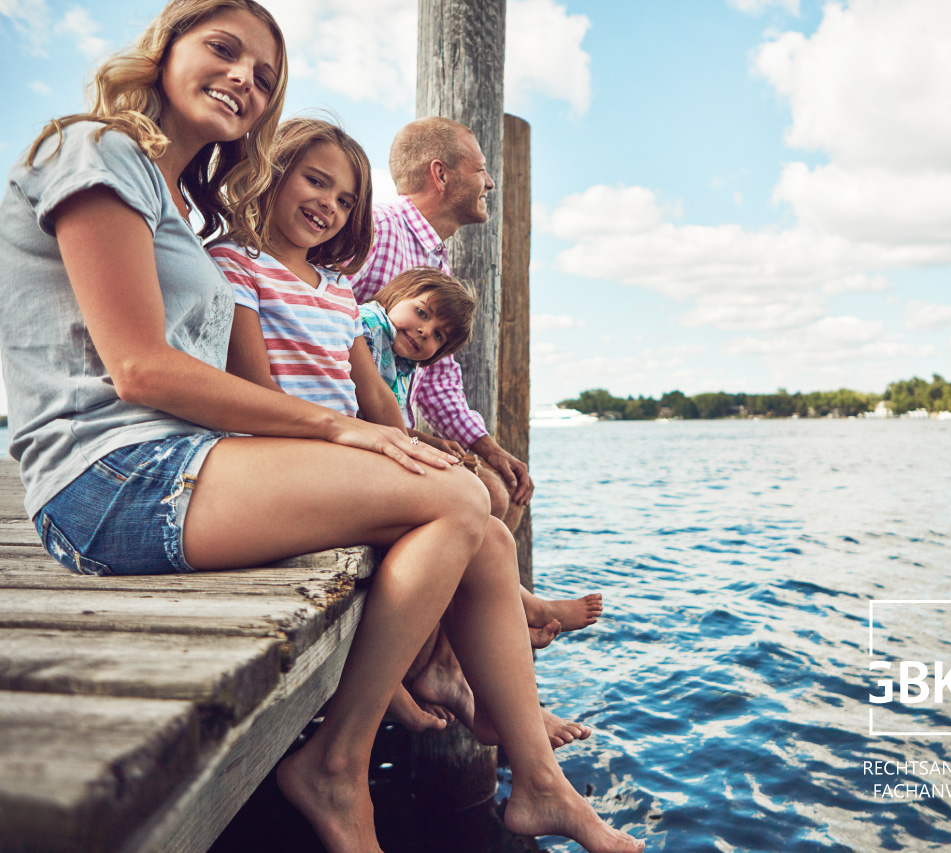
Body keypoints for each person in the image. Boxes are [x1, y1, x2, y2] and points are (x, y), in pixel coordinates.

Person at [0, 3, 643, 852]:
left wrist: (390, 432)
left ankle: (537, 781)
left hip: (174, 464)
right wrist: (341, 433)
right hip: (106, 481)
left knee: (485, 531)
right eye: (222, 49)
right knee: (456, 497)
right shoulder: (97, 150)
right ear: (164, 50)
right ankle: (339, 762)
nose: (243, 78)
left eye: (265, 76)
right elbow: (141, 370)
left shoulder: (171, 201)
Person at [208, 117, 599, 741]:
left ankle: (503, 723)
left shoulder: (341, 288)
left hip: (343, 443)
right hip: (291, 451)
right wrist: (377, 440)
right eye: (317, 183)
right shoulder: (298, 252)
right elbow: (267, 389)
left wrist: (447, 445)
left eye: (346, 201)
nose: (332, 208)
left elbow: (382, 386)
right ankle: (456, 662)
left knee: (485, 505)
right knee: (475, 502)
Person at [350, 117, 532, 527]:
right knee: (490, 497)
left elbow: (437, 377)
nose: (489, 183)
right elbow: (321, 313)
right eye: (481, 169)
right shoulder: (378, 228)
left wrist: (488, 449)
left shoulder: (435, 263)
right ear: (441, 174)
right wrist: (414, 438)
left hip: (393, 432)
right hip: (355, 431)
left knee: (507, 492)